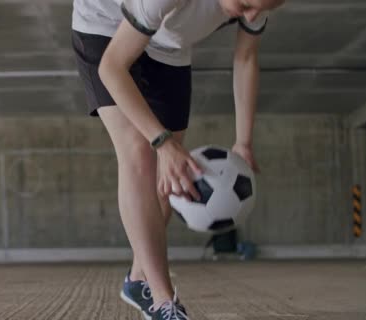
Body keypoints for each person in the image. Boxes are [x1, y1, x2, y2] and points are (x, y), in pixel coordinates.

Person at [71, 0, 286, 319]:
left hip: (169, 46)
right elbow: (111, 68)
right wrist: (161, 141)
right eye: (244, 4)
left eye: (263, 8)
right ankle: (163, 302)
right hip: (106, 28)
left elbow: (246, 57)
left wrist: (243, 142)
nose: (252, 15)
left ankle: (137, 279)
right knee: (139, 151)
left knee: (170, 178)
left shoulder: (258, 3)